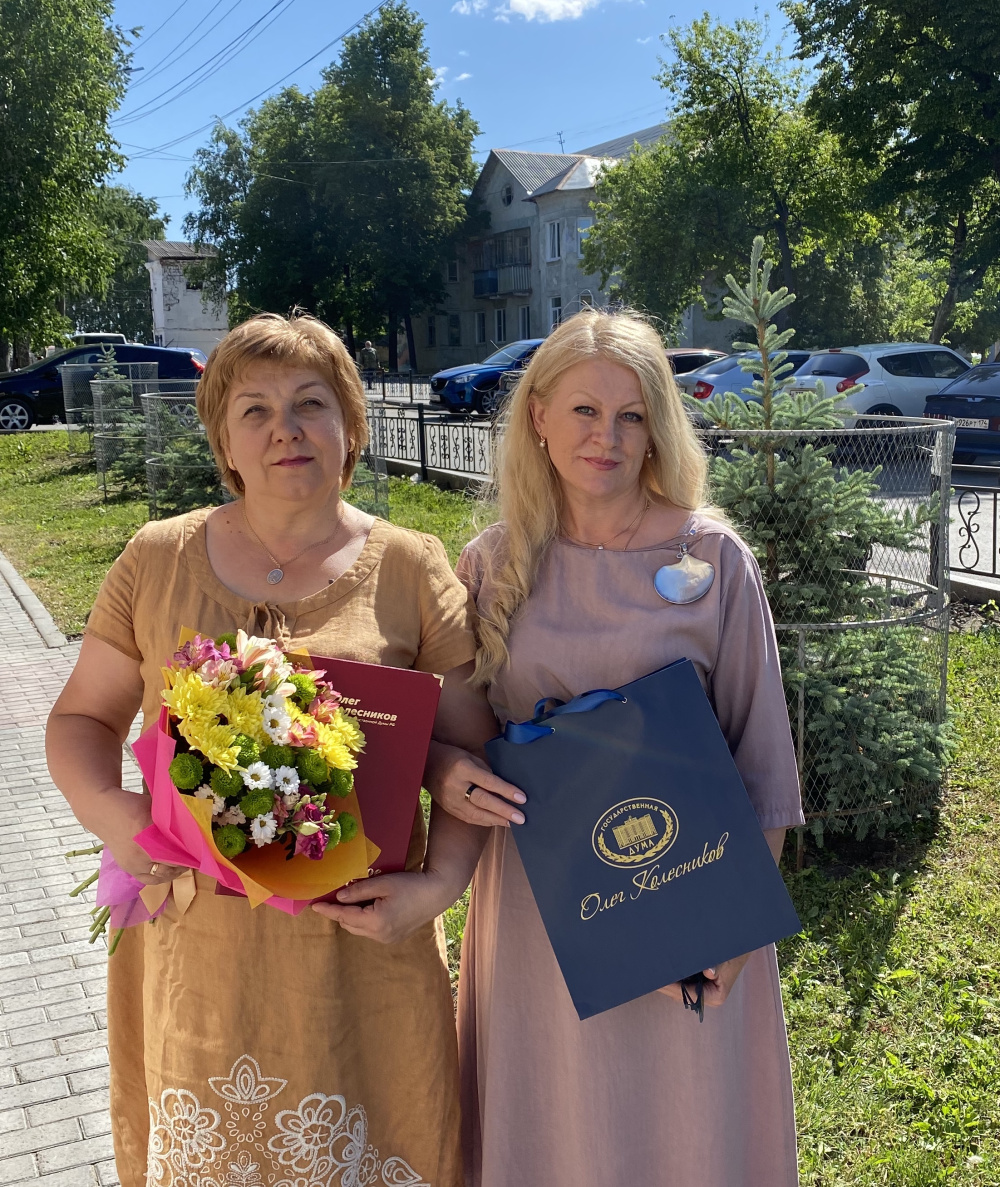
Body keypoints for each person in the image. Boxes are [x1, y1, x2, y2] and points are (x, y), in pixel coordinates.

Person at [46, 312, 493, 1187]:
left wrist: (440, 886)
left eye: (310, 404)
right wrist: (116, 818)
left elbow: (473, 758)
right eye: (254, 409)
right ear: (225, 443)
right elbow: (81, 721)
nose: (285, 428)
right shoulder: (156, 558)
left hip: (365, 955)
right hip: (199, 956)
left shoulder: (411, 568)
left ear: (351, 428)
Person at [427, 309, 805, 1186]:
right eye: (585, 411)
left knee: (688, 1130)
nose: (608, 436)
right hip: (539, 912)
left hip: (688, 904)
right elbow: (454, 739)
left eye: (632, 415)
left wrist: (730, 932)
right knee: (555, 1124)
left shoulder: (714, 558)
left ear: (658, 427)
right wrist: (445, 773)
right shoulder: (489, 564)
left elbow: (764, 766)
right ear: (538, 417)